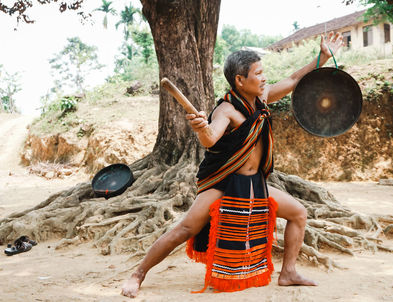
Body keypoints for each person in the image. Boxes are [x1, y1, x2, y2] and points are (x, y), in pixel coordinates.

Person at [121, 32, 343, 298]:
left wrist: (322, 57)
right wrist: (200, 128)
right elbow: (210, 138)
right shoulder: (225, 110)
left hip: (255, 185)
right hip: (225, 183)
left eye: (263, 73)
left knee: (298, 213)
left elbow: (295, 79)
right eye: (258, 73)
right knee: (186, 228)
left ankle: (288, 273)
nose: (264, 78)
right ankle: (138, 274)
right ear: (240, 80)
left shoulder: (262, 98)